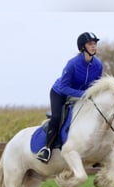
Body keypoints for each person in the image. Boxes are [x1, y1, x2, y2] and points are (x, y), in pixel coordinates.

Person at [36, 32, 103, 163]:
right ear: (82, 47)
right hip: (60, 93)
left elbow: (95, 86)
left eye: (95, 44)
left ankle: (96, 151)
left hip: (81, 97)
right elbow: (63, 87)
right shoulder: (72, 64)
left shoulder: (98, 65)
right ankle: (47, 149)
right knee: (56, 118)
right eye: (90, 44)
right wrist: (83, 95)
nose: (94, 46)